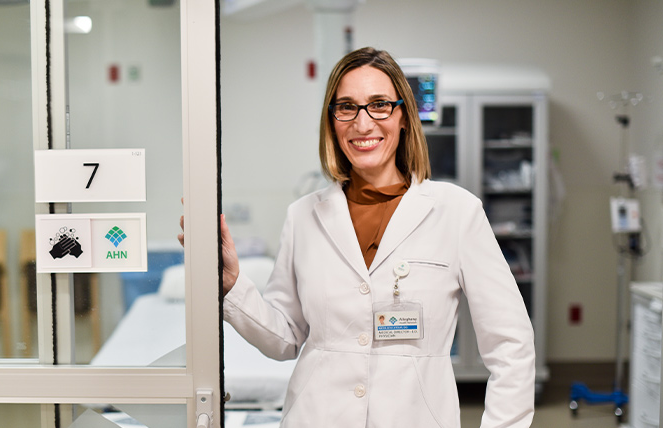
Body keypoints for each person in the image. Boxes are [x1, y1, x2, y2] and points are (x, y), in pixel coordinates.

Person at [180, 47, 535, 427]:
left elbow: (511, 345)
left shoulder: (456, 212)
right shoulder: (302, 216)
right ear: (332, 122)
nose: (363, 123)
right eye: (346, 107)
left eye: (379, 105)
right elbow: (284, 338)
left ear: (403, 117)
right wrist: (233, 286)